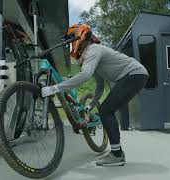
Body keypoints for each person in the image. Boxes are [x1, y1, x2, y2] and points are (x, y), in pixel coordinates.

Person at [41, 23, 149, 166]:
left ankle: (117, 155)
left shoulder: (93, 49)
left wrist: (56, 88)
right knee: (105, 110)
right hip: (133, 75)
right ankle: (117, 154)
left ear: (80, 35)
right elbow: (99, 85)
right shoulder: (93, 56)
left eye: (71, 40)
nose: (71, 44)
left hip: (134, 74)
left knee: (105, 111)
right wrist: (91, 105)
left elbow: (85, 75)